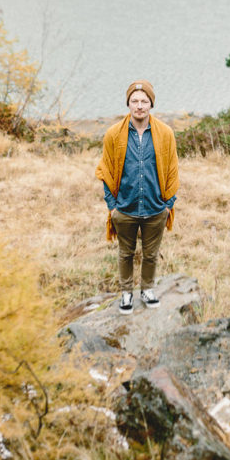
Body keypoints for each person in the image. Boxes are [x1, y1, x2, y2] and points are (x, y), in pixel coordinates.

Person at [96, 80, 179, 315]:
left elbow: (173, 169)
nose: (140, 106)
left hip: (155, 207)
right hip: (125, 206)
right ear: (128, 104)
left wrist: (167, 205)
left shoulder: (165, 133)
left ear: (151, 104)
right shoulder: (114, 134)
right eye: (135, 101)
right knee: (126, 253)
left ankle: (147, 289)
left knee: (151, 254)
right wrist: (112, 207)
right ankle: (126, 294)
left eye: (144, 101)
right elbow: (106, 170)